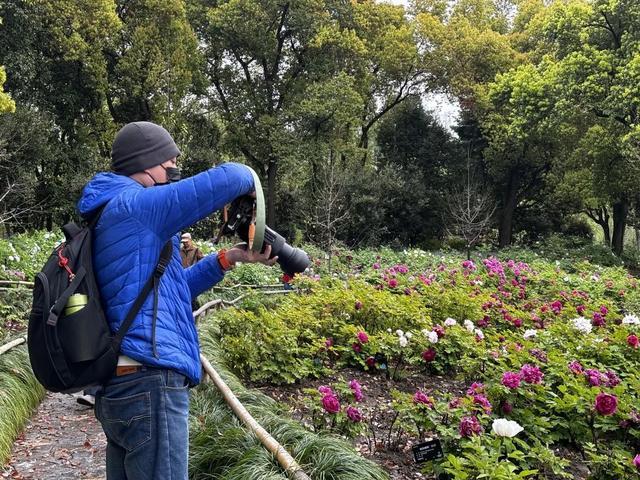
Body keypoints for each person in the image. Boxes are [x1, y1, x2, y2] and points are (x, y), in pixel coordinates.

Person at [77, 121, 277, 480]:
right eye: (170, 166)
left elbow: (173, 293)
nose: (173, 173)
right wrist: (248, 174)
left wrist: (228, 258)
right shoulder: (135, 206)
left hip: (121, 386)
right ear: (145, 163)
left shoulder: (116, 215)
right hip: (150, 383)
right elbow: (230, 177)